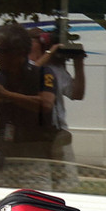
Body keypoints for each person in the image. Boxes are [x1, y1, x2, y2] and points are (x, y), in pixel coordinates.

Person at [0, 22, 59, 190]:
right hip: (4, 163)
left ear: (19, 53)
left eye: (2, 50)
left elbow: (46, 104)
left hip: (34, 164)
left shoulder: (42, 74)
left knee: (34, 204)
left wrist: (6, 95)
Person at [29, 29, 86, 190]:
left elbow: (77, 93)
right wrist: (50, 52)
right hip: (33, 138)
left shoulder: (54, 69)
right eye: (38, 40)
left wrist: (78, 62)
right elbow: (29, 74)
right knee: (40, 185)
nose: (42, 44)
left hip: (57, 133)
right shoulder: (23, 65)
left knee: (65, 186)